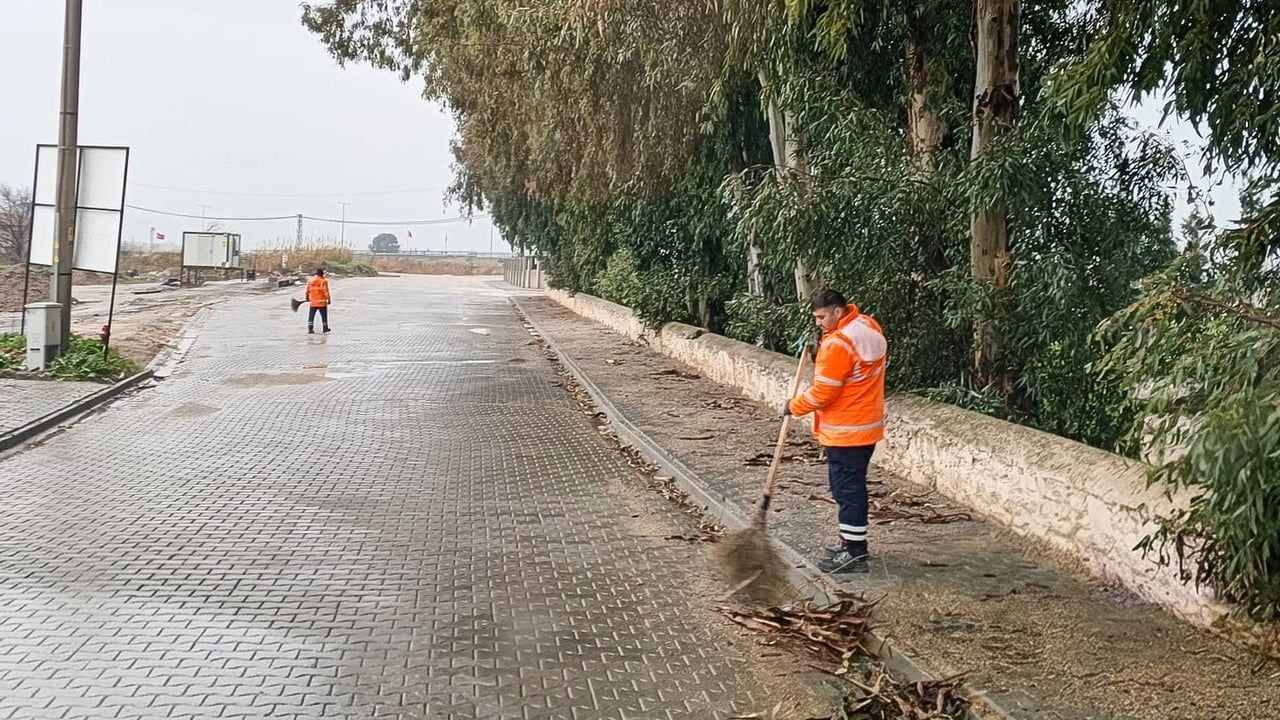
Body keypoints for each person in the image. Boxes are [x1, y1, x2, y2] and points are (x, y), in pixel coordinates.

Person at [787, 288, 887, 574]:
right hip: (866, 426)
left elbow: (823, 393)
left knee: (847, 491)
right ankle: (850, 542)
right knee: (852, 487)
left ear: (838, 312)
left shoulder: (838, 344)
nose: (818, 323)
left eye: (821, 317)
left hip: (846, 431)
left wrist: (793, 406)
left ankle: (854, 553)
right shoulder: (868, 326)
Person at [305, 268, 332, 334]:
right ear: (322, 274)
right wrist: (328, 299)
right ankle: (325, 328)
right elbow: (326, 291)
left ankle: (310, 329)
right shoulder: (323, 281)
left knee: (311, 316)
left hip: (313, 302)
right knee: (324, 316)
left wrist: (307, 298)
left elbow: (307, 291)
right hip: (322, 303)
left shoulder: (310, 281)